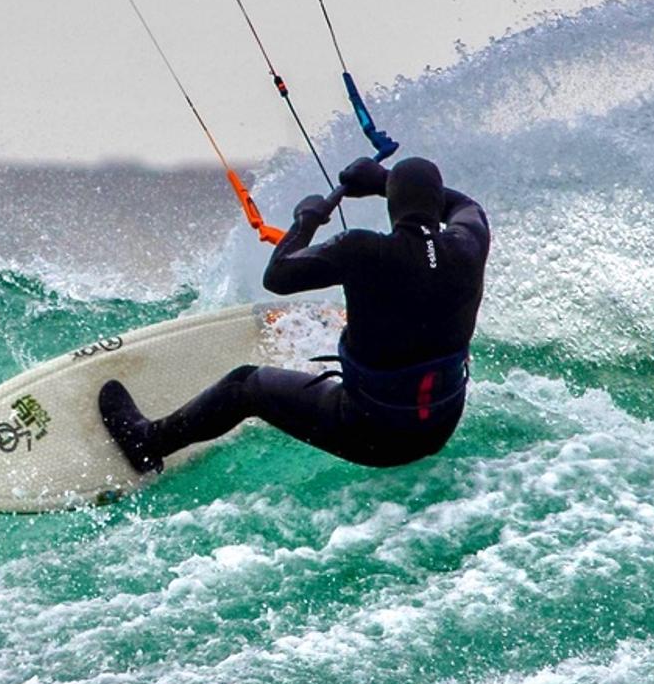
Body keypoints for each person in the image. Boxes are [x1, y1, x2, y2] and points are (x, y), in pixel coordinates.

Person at [98, 154, 490, 476]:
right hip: (439, 424)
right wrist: (384, 179)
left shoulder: (365, 250)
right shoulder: (469, 245)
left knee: (245, 385)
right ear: (436, 205)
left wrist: (307, 221)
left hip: (374, 433)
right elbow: (467, 205)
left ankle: (146, 442)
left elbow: (279, 276)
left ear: (390, 204)